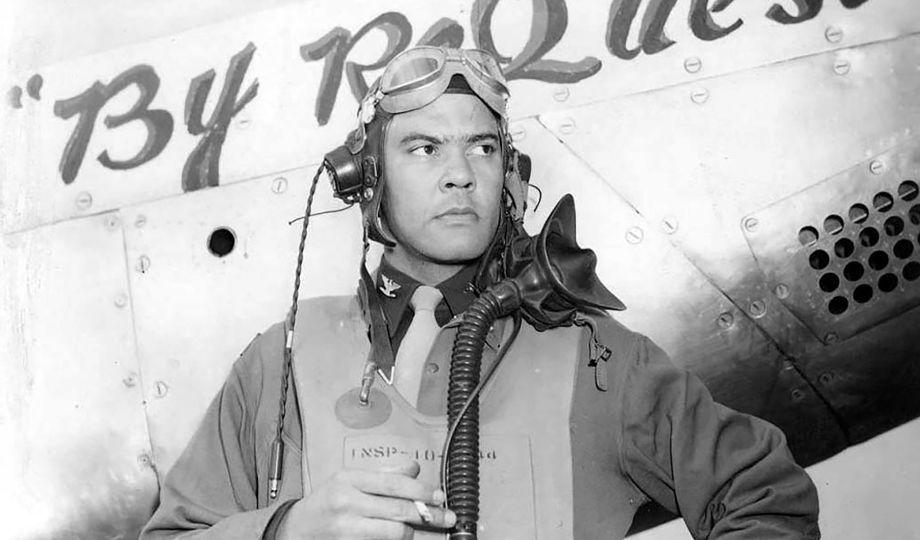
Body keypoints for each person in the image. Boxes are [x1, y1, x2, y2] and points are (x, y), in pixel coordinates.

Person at [140, 47, 820, 540]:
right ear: (368, 180)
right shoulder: (278, 363)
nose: (460, 174)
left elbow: (765, 495)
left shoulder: (598, 361)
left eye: (484, 148)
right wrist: (287, 531)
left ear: (510, 174)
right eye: (424, 149)